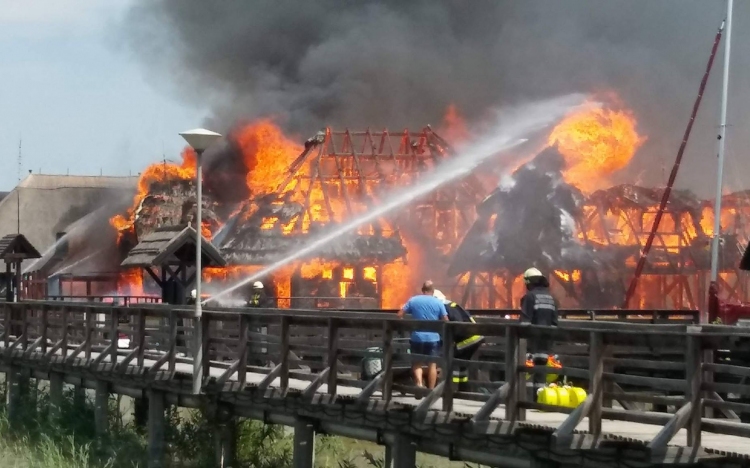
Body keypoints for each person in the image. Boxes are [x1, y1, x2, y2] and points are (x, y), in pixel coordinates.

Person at [397, 281, 448, 390]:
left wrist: (405, 327)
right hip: (433, 338)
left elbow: (400, 314)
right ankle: (430, 391)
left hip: (417, 337)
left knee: (417, 363)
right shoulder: (438, 302)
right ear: (433, 291)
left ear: (422, 290)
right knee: (432, 365)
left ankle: (419, 384)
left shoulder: (413, 300)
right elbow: (446, 320)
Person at [433, 290, 484, 392]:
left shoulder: (445, 308)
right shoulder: (453, 305)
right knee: (462, 364)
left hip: (467, 339)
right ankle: (464, 389)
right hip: (477, 337)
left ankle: (452, 391)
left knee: (453, 362)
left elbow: (451, 325)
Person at [519, 267, 559, 391]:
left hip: (532, 344)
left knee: (524, 374)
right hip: (546, 344)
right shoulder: (551, 298)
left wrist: (519, 339)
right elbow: (554, 322)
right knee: (541, 374)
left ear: (529, 282)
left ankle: (524, 403)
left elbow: (524, 322)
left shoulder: (530, 297)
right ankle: (539, 401)